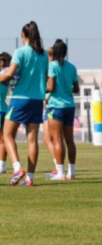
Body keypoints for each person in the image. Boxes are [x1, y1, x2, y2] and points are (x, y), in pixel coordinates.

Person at [0, 21, 48, 187]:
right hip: (37, 100)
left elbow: (10, 73)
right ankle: (30, 178)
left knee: (7, 134)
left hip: (20, 99)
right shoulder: (44, 55)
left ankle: (17, 168)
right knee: (32, 140)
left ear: (23, 35)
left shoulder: (20, 52)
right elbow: (45, 76)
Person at [45, 40, 79, 181]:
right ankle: (71, 173)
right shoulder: (72, 67)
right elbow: (76, 89)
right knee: (69, 140)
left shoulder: (52, 66)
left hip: (56, 106)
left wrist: (40, 89)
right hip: (70, 106)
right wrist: (66, 89)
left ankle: (60, 173)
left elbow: (51, 87)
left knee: (57, 139)